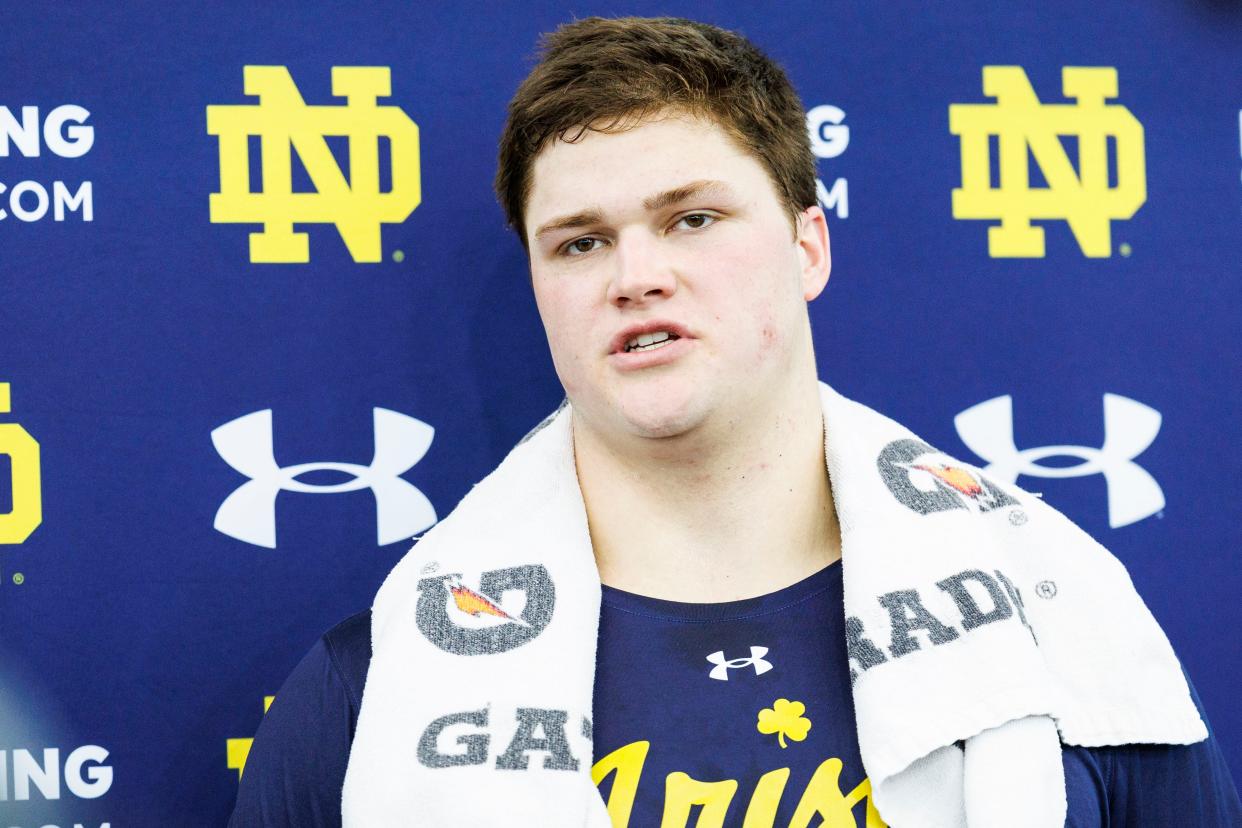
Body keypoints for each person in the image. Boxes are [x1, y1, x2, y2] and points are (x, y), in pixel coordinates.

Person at [230, 16, 1241, 827]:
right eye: (580, 244)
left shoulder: (1059, 615)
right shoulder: (379, 683)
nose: (638, 277)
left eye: (692, 219)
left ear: (808, 247)